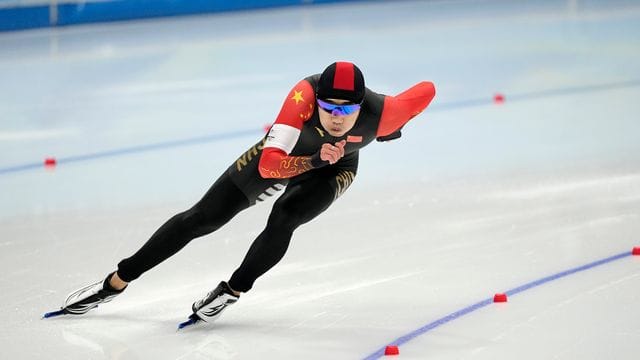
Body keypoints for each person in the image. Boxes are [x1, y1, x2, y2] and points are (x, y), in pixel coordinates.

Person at [56, 61, 435, 324]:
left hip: (336, 168)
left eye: (347, 109)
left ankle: (233, 290)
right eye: (328, 107)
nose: (337, 117)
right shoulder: (299, 101)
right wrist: (314, 159)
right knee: (202, 218)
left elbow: (427, 91)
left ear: (361, 105)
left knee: (285, 217)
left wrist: (388, 131)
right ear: (315, 101)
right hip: (290, 156)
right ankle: (117, 281)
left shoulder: (385, 112)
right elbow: (270, 166)